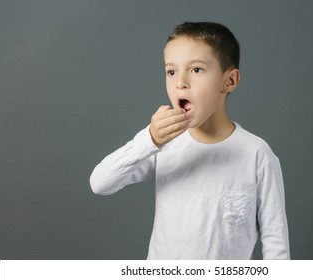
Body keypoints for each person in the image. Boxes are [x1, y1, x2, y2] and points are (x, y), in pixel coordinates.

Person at [90, 22, 290, 260]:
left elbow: (276, 247)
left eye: (196, 69)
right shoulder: (162, 145)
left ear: (230, 81)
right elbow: (100, 183)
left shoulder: (256, 154)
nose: (180, 82)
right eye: (171, 71)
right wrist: (150, 139)